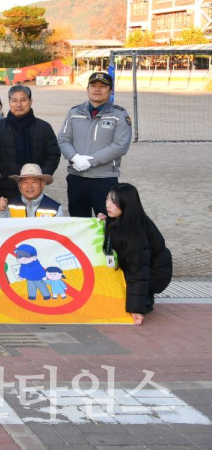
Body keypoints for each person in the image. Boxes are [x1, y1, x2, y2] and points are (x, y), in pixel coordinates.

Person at [57, 72, 132, 217]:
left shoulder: (119, 115)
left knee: (106, 222)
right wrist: (75, 158)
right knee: (78, 222)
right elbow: (64, 139)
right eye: (93, 85)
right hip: (76, 177)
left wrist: (91, 161)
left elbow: (120, 145)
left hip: (103, 179)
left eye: (103, 86)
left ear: (111, 91)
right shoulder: (74, 112)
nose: (97, 89)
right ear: (87, 89)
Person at [99, 183, 173, 325]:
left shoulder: (136, 234)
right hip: (144, 269)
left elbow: (138, 272)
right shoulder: (125, 218)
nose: (108, 204)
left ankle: (145, 299)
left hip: (154, 275)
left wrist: (136, 309)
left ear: (126, 204)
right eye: (107, 199)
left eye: (114, 202)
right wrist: (107, 221)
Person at [0, 85, 61, 200]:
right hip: (3, 188)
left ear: (31, 102)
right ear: (9, 102)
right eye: (14, 100)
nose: (19, 105)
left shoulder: (43, 127)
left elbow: (53, 155)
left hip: (33, 189)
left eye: (23, 100)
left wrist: (40, 177)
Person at [0, 163, 68, 218]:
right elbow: (2, 231)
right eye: (25, 182)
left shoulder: (55, 209)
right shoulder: (9, 205)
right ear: (19, 185)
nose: (29, 186)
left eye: (34, 182)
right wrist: (1, 212)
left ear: (42, 184)